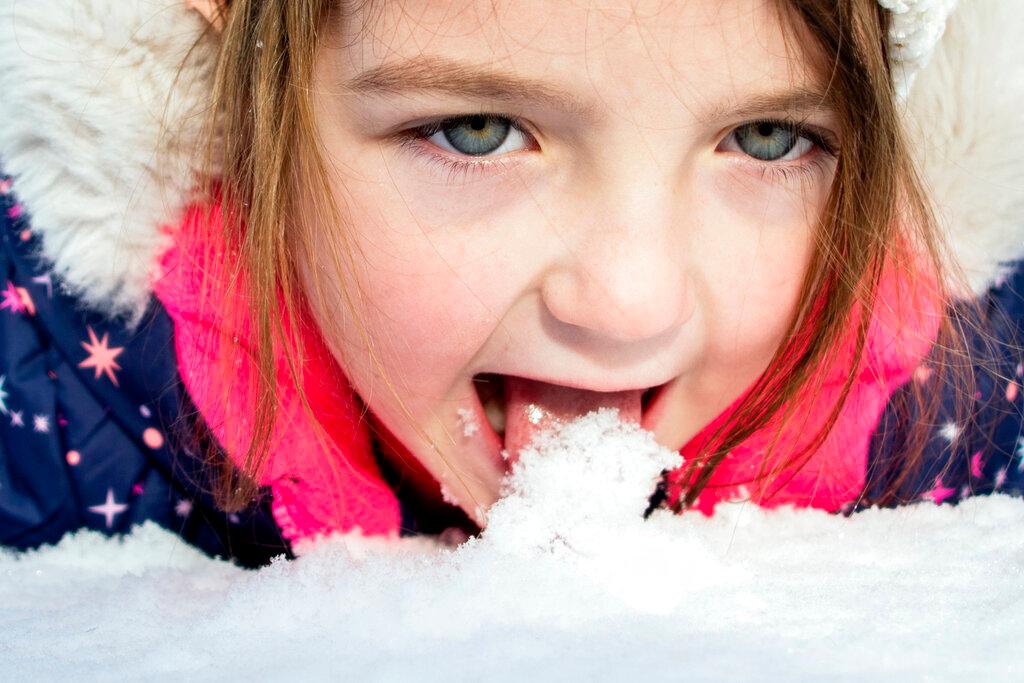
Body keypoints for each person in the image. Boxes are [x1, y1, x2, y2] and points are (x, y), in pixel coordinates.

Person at [1, 0, 1022, 566]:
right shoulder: (59, 396)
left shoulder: (960, 411)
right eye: (476, 132)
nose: (630, 304)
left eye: (766, 139)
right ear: (256, 111)